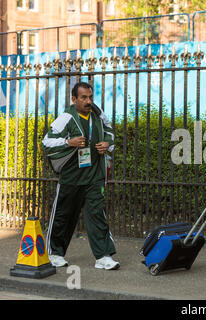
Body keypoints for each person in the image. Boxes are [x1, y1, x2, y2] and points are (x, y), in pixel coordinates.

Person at [42, 82, 119, 270]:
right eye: (84, 97)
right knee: (63, 215)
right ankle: (55, 253)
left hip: (94, 176)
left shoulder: (98, 116)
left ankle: (103, 256)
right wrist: (69, 142)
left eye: (90, 97)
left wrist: (106, 144)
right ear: (74, 99)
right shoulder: (66, 117)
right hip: (71, 177)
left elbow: (110, 133)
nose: (88, 101)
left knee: (96, 214)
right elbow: (46, 142)